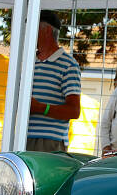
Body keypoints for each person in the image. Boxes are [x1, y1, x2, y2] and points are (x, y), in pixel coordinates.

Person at [27, 10, 81, 153]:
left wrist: (40, 107)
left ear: (47, 31)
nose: (29, 32)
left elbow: (74, 111)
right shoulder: (28, 62)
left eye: (34, 27)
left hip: (50, 143)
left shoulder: (68, 65)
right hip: (22, 136)